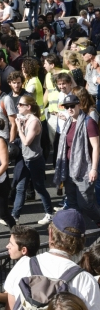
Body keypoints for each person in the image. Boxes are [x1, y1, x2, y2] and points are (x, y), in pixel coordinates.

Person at [54, 93, 100, 225]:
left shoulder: (88, 122)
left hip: (84, 169)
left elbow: (96, 147)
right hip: (68, 168)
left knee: (85, 203)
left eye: (72, 106)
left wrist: (94, 169)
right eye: (66, 106)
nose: (69, 109)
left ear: (79, 105)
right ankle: (77, 228)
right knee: (73, 202)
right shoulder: (68, 122)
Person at [12, 95, 53, 224]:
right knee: (20, 187)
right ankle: (15, 216)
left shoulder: (34, 121)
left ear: (28, 107)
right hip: (25, 159)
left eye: (20, 104)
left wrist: (19, 127)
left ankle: (49, 213)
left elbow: (27, 142)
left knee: (39, 188)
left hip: (35, 160)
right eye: (18, 104)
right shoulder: (26, 119)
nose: (18, 106)